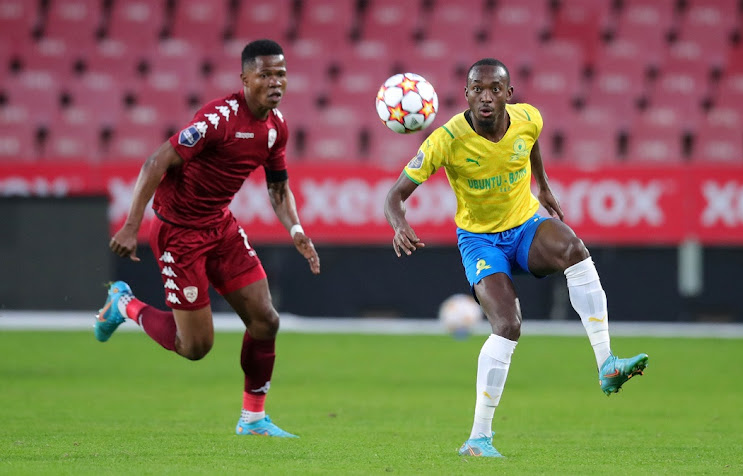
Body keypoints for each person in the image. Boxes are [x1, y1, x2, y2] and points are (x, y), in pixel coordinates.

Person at [384, 58, 648, 458]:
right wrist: (399, 223)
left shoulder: (528, 118)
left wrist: (541, 185)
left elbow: (532, 141)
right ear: (467, 94)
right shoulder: (445, 139)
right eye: (477, 89)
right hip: (480, 242)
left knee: (574, 249)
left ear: (509, 94)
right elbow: (394, 196)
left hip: (524, 228)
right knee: (508, 326)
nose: (485, 97)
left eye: (494, 89)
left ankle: (606, 363)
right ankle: (478, 439)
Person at [95, 39, 320, 438]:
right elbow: (155, 162)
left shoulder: (276, 126)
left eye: (280, 74)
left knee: (266, 321)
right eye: (265, 74)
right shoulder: (218, 119)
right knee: (195, 347)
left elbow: (279, 189)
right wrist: (131, 225)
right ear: (245, 79)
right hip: (179, 232)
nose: (275, 82)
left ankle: (253, 419)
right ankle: (123, 304)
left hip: (220, 227)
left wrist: (297, 230)